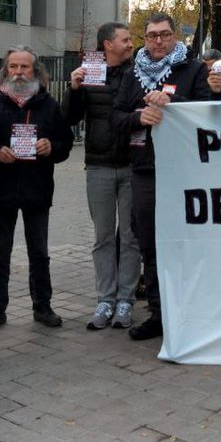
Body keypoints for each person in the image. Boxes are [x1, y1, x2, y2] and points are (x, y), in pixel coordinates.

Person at [111, 13, 210, 340]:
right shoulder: (133, 73)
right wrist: (141, 117)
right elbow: (116, 117)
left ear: (174, 37)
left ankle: (190, 310)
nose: (157, 41)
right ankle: (158, 312)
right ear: (145, 37)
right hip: (144, 169)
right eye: (152, 35)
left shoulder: (192, 69)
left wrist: (172, 102)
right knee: (150, 242)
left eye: (164, 35)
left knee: (186, 242)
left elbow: (205, 113)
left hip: (184, 170)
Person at [0, 47, 73, 331]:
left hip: (37, 190)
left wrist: (50, 147)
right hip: (2, 190)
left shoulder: (49, 106)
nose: (18, 73)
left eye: (24, 67)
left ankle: (42, 307)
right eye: (13, 67)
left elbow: (65, 145)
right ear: (6, 71)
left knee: (39, 253)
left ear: (35, 71)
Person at [64, 22, 139, 331]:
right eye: (125, 39)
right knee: (104, 237)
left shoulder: (138, 73)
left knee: (130, 237)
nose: (130, 44)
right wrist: (73, 89)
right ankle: (105, 300)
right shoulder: (88, 72)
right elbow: (68, 118)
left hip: (132, 165)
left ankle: (126, 301)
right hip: (98, 166)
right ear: (108, 44)